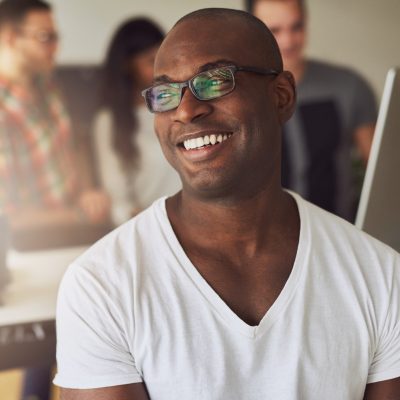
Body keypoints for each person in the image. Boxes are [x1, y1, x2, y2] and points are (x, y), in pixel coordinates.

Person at [54, 8, 400, 400]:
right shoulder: (103, 284)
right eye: (166, 93)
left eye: (215, 81)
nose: (185, 110)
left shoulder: (380, 276)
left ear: (282, 96)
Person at [0, 0, 111, 399]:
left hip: (77, 234)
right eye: (44, 37)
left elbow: (73, 144)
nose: (55, 48)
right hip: (31, 252)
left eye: (56, 36)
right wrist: (76, 211)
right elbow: (7, 216)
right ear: (10, 38)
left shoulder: (45, 83)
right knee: (45, 349)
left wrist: (86, 189)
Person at [251, 0, 377, 222]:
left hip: (338, 232)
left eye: (296, 27)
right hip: (266, 237)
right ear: (253, 32)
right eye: (275, 30)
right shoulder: (241, 95)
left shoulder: (348, 85)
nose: (289, 40)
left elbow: (380, 171)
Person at [93, 18, 181, 226]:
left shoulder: (183, 107)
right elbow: (119, 201)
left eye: (165, 59)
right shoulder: (110, 122)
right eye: (152, 61)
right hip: (154, 229)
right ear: (126, 65)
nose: (162, 70)